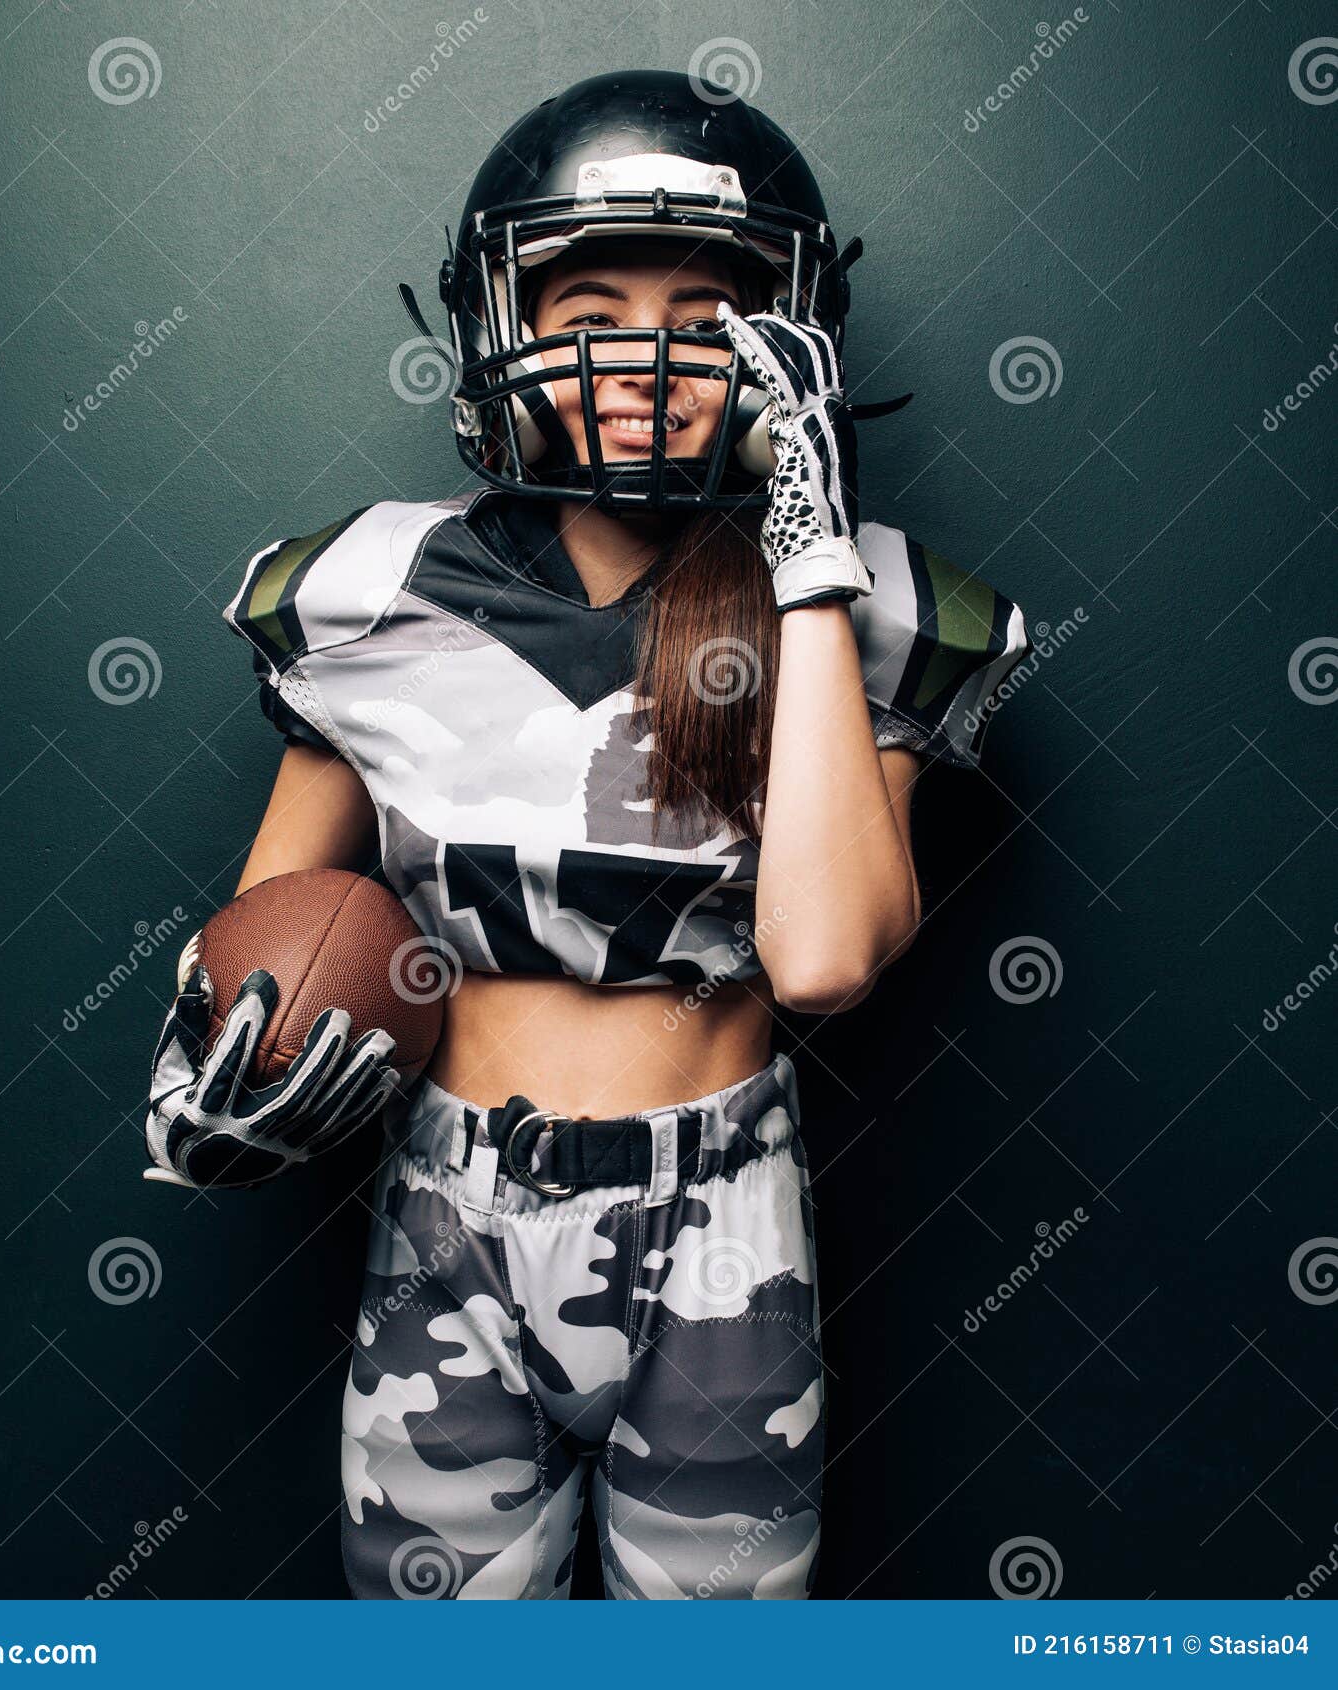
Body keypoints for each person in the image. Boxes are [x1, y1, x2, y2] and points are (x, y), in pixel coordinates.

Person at [142, 70, 1031, 1599]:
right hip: (444, 1203)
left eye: (704, 311)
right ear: (502, 322)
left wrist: (809, 562)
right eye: (589, 300)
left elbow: (818, 957)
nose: (642, 349)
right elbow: (270, 945)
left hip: (720, 1213)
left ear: (785, 340)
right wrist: (209, 1092)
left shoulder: (877, 608)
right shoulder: (368, 590)